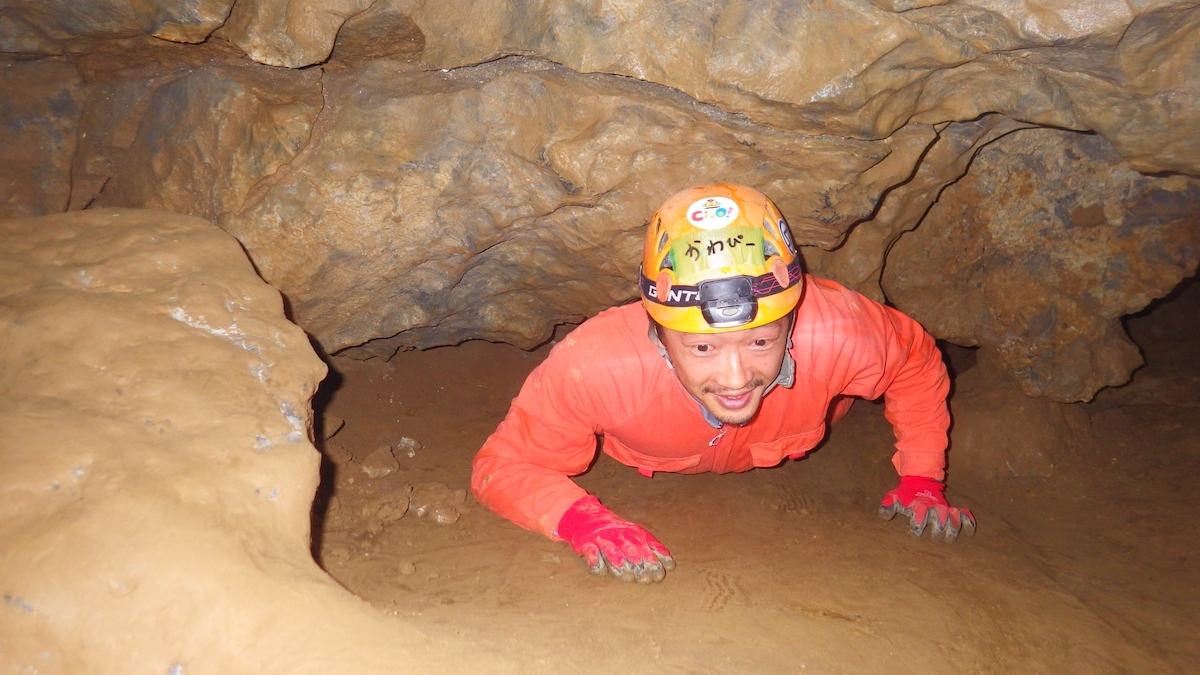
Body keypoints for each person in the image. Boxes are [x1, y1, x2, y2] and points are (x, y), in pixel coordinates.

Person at [471, 183, 975, 584]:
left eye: (760, 343)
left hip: (796, 426)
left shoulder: (838, 332)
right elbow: (501, 465)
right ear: (659, 333)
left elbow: (916, 362)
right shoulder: (600, 367)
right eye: (703, 348)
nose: (737, 380)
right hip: (657, 444)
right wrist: (577, 519)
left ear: (792, 321)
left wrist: (922, 478)